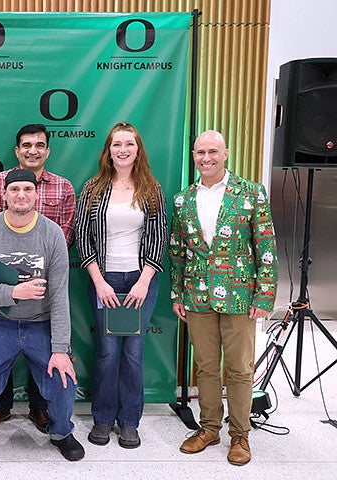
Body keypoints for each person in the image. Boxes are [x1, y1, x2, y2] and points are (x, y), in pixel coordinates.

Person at [0, 169, 84, 462]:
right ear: (4, 195)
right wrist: (15, 293)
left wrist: (60, 349)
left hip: (42, 323)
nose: (21, 195)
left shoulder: (52, 233)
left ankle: (62, 433)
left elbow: (60, 295)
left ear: (37, 194)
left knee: (64, 379)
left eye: (28, 189)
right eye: (14, 190)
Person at [169, 130, 278, 466]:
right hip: (197, 295)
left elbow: (267, 247)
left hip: (241, 296)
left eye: (213, 151)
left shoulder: (251, 192)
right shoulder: (183, 199)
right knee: (204, 367)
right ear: (193, 155)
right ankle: (209, 428)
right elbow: (177, 251)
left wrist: (265, 294)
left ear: (226, 153)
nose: (206, 158)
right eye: (200, 152)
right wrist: (177, 293)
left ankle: (240, 435)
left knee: (240, 369)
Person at [75, 122, 167, 449]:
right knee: (107, 352)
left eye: (129, 144)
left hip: (140, 282)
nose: (123, 149)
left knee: (134, 354)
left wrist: (144, 281)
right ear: (108, 150)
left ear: (138, 149)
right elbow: (82, 238)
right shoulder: (93, 188)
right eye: (116, 144)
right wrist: (99, 281)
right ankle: (102, 418)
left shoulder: (151, 188)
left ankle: (129, 421)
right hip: (106, 282)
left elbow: (159, 238)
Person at [0, 123, 76, 432]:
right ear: (17, 150)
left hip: (46, 277)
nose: (32, 150)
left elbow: (65, 233)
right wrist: (13, 282)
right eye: (26, 145)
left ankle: (41, 411)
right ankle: (1, 407)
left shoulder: (64, 187)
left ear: (47, 150)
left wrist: (39, 257)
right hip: (4, 282)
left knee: (44, 352)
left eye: (39, 145)